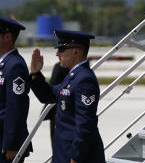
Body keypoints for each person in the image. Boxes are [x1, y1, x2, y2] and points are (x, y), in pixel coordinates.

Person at [29, 30, 105, 163]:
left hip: (77, 156)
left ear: (76, 52)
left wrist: (76, 156)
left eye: (62, 49)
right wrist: (35, 74)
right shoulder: (72, 76)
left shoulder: (84, 79)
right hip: (63, 152)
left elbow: (85, 123)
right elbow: (49, 95)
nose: (57, 53)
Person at [0, 14, 31, 162]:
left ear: (7, 37)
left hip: (6, 144)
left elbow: (16, 108)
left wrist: (12, 144)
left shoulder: (15, 65)